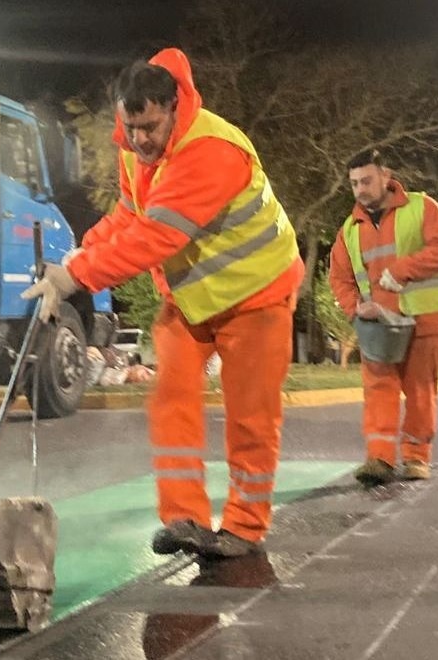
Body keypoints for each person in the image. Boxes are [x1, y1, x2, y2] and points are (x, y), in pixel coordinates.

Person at [22, 48, 304, 558]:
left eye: (150, 127)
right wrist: (76, 256)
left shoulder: (212, 150)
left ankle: (245, 525)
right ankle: (184, 519)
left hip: (258, 295)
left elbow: (156, 238)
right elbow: (129, 216)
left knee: (250, 416)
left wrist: (76, 277)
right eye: (130, 127)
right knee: (171, 398)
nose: (139, 140)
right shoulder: (137, 152)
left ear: (176, 108)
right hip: (193, 300)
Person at [328, 149, 438, 487]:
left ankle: (416, 458)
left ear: (386, 176)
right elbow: (339, 278)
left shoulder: (421, 207)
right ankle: (380, 459)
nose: (360, 189)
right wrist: (354, 309)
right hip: (379, 327)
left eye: (367, 180)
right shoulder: (349, 230)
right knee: (378, 391)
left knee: (419, 391)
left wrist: (402, 271)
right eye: (355, 183)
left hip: (424, 318)